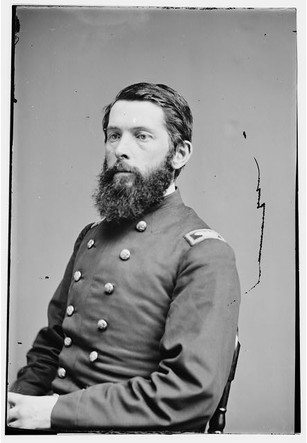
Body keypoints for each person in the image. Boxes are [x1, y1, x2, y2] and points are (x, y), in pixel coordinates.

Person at [7, 82, 240, 432]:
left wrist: (53, 412)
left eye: (141, 136)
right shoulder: (91, 236)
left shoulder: (205, 253)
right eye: (114, 135)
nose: (121, 150)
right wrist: (13, 412)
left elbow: (189, 392)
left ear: (180, 154)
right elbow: (52, 345)